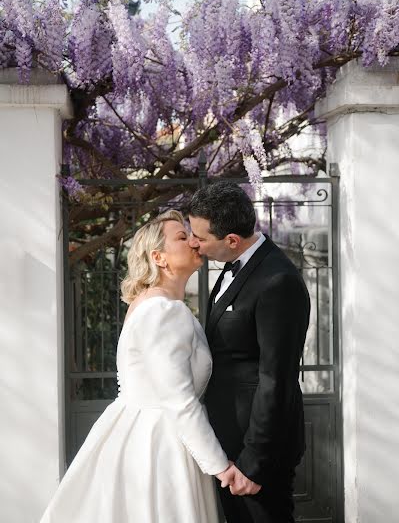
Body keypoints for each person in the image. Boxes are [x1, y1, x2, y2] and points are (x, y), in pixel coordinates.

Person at [39, 210, 237, 523]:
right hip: (157, 447)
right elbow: (178, 399)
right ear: (159, 257)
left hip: (149, 434)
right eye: (182, 237)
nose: (195, 242)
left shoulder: (159, 305)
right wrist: (220, 465)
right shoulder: (161, 310)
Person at [188, 182, 311, 523]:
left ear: (232, 240)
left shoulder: (277, 281)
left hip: (257, 451)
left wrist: (254, 463)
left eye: (200, 236)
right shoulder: (233, 264)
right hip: (229, 442)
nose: (193, 242)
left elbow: (276, 380)